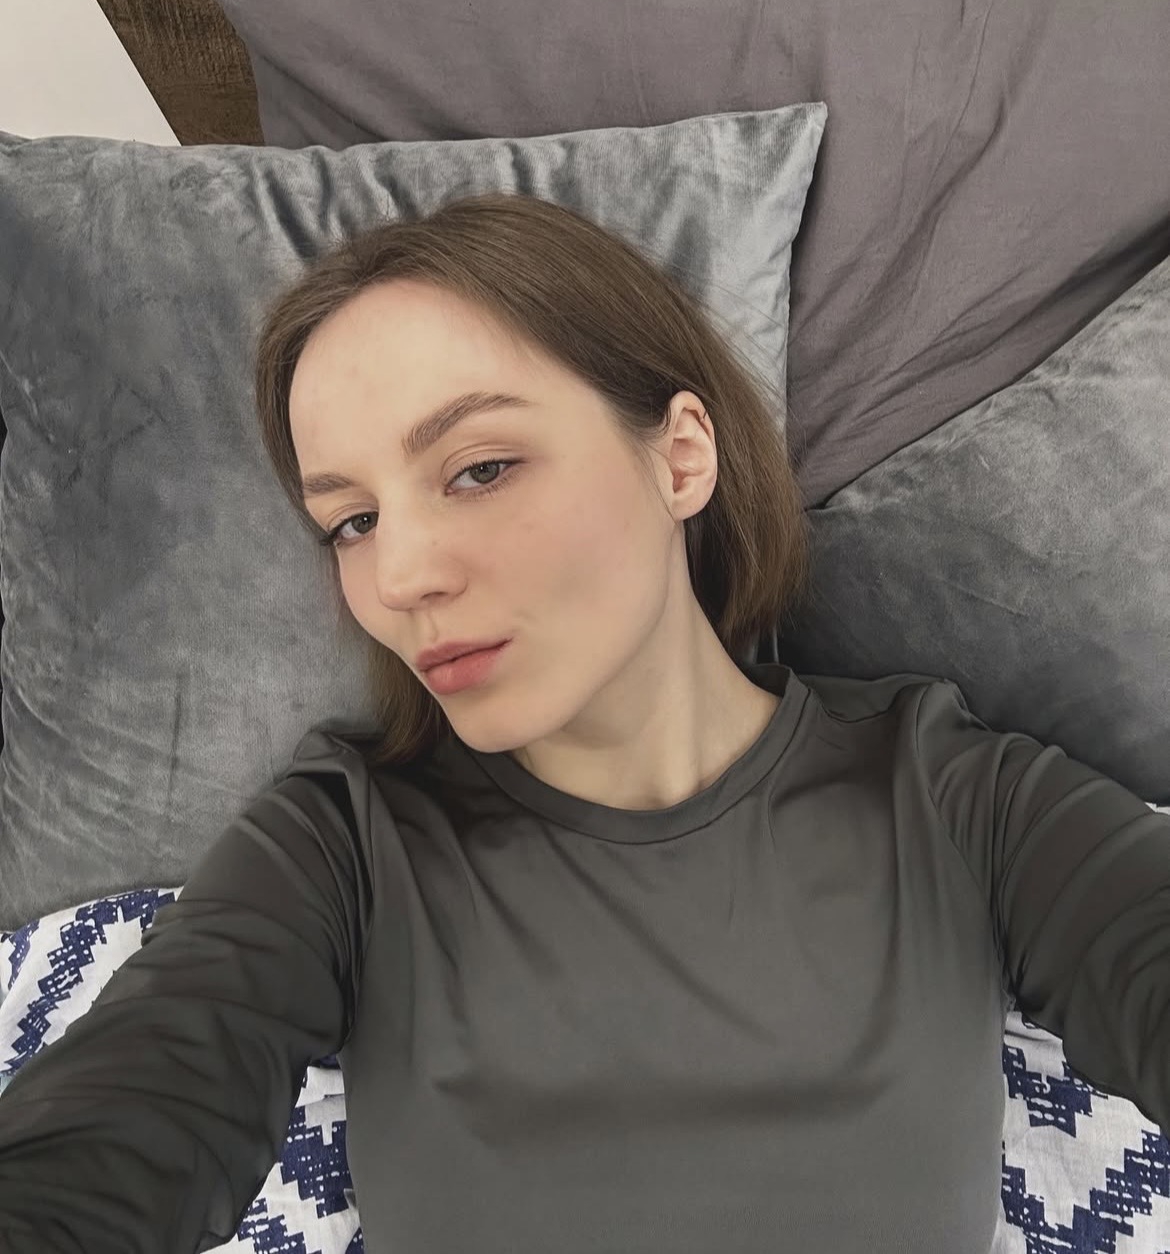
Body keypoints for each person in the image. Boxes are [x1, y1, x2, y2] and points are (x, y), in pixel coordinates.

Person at [0, 193, 1167, 1254]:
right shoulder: (344, 842)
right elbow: (131, 1112)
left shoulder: (955, 797)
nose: (399, 576)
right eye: (351, 522)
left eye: (479, 468)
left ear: (681, 457)